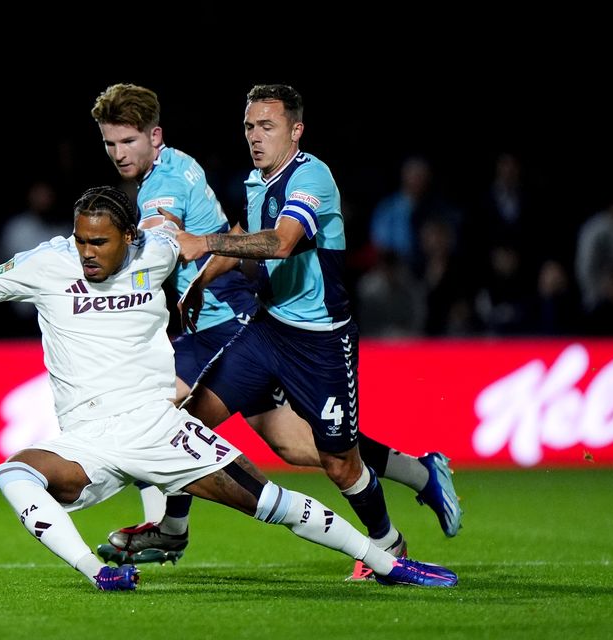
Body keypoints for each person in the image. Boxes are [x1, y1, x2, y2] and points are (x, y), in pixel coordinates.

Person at [0, 185, 458, 590]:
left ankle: (389, 563)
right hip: (88, 438)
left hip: (160, 428)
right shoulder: (49, 261)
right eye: (81, 240)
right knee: (13, 472)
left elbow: (229, 242)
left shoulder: (159, 249)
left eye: (99, 242)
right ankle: (100, 573)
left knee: (274, 503)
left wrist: (228, 283)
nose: (87, 252)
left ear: (128, 237)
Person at [90, 83, 461, 578]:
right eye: (249, 127)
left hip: (318, 340)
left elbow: (282, 243)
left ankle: (388, 541)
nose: (256, 137)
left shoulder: (312, 177)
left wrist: (196, 247)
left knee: (338, 462)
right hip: (264, 329)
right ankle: (172, 530)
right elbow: (243, 236)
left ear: (295, 130)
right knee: (204, 427)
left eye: (267, 126)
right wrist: (206, 274)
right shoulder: (253, 179)